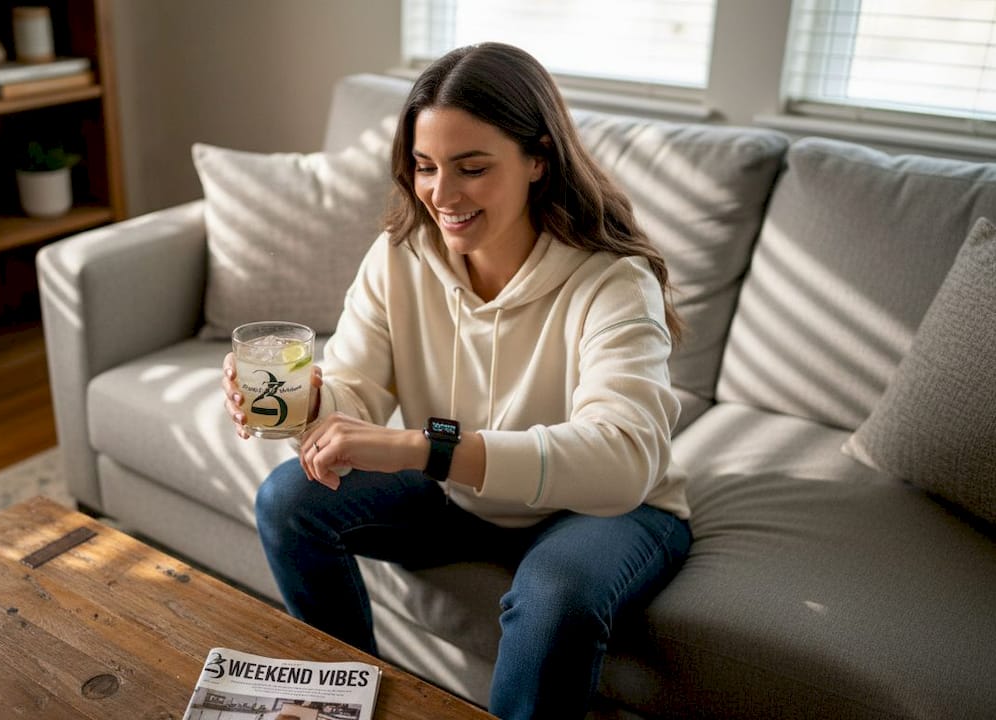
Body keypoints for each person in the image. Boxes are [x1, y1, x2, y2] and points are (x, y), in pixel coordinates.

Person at [221, 42, 691, 719]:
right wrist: (306, 403)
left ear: (538, 159)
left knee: (556, 596)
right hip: (460, 495)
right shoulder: (401, 257)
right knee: (289, 498)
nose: (442, 195)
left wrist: (423, 446)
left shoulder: (613, 282)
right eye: (425, 166)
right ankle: (341, 704)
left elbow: (623, 458)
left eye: (472, 168)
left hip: (600, 510)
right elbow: (355, 388)